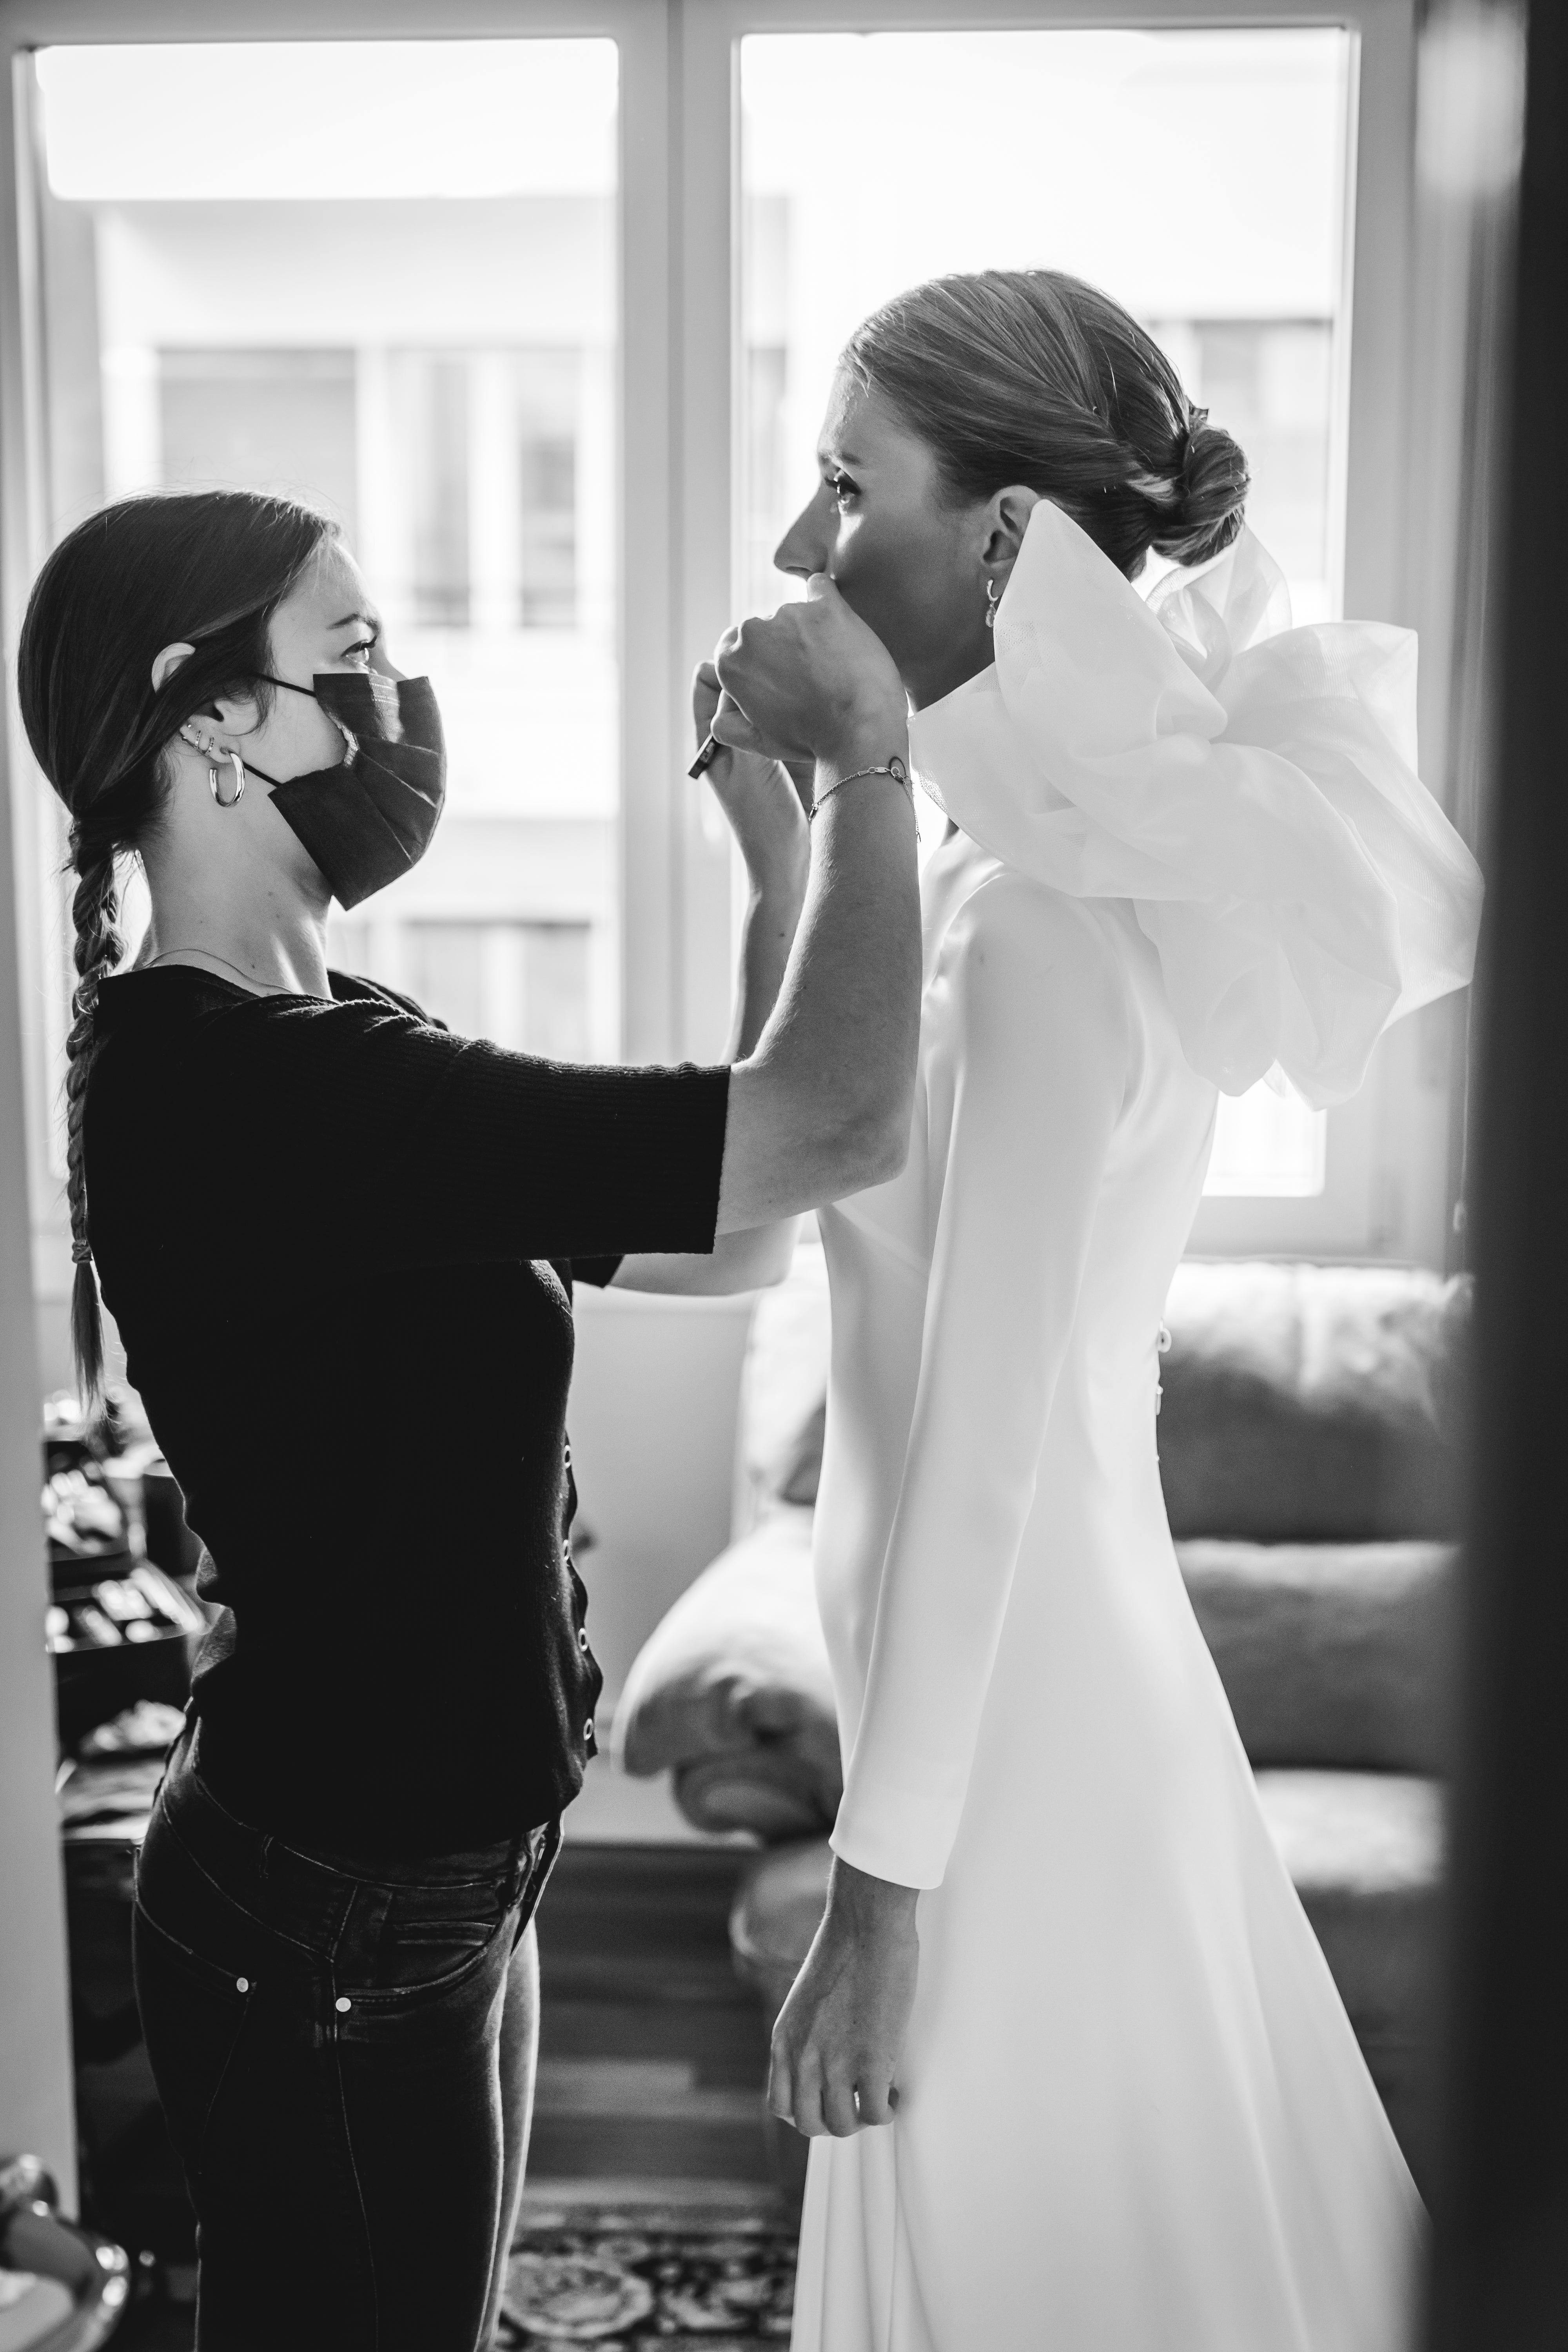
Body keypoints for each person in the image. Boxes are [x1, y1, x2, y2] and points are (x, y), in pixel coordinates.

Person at [16, 487, 920, 2352]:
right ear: (212, 724)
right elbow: (836, 1123)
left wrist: (769, 877)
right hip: (333, 1904)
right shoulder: (270, 1086)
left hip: (433, 1874)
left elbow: (733, 1243)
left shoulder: (324, 1032)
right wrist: (871, 770)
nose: (398, 698)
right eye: (347, 657)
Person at [753, 272, 1483, 2350]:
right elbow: (767, 1180)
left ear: (1001, 538)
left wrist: (884, 1900)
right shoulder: (989, 884)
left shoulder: (1052, 937)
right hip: (982, 1715)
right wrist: (786, 818)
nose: (805, 545)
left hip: (1022, 1756)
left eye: (846, 485)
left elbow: (988, 1441)